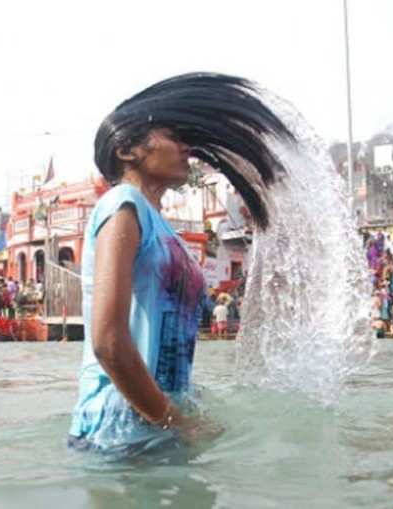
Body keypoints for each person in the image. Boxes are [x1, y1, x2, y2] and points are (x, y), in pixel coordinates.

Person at [68, 73, 296, 454]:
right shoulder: (122, 204)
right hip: (117, 432)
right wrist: (178, 421)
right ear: (128, 150)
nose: (186, 147)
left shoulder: (162, 228)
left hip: (155, 423)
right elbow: (108, 341)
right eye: (173, 137)